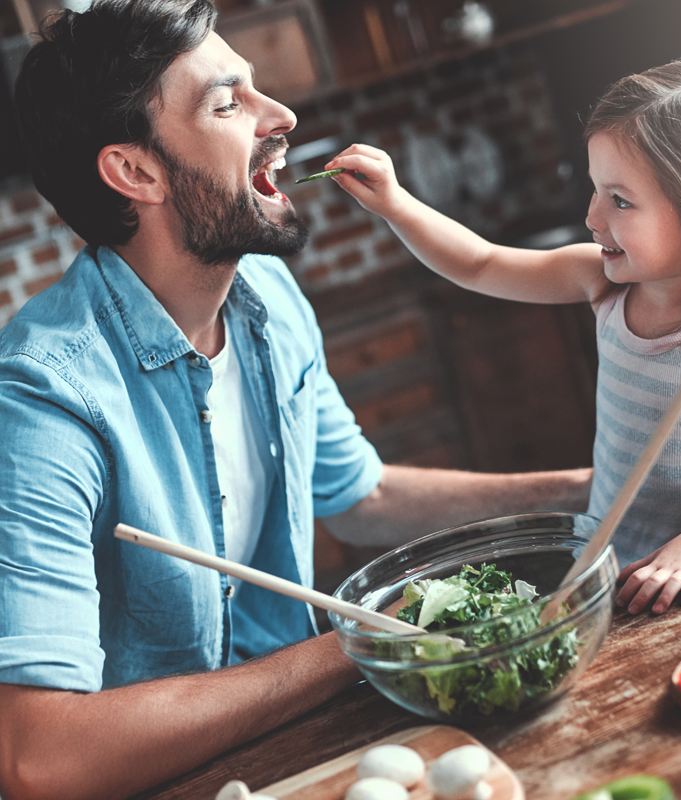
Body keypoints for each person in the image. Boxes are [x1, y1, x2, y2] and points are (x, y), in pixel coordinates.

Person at [0, 0, 592, 797]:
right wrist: (361, 641)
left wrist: (592, 494)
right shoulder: (40, 401)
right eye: (226, 102)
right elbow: (42, 761)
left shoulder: (266, 297)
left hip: (292, 752)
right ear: (135, 171)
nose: (279, 116)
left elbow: (359, 496)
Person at [326, 58, 681, 618]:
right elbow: (479, 264)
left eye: (620, 200)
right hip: (600, 574)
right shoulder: (601, 280)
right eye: (596, 189)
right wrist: (396, 206)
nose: (593, 217)